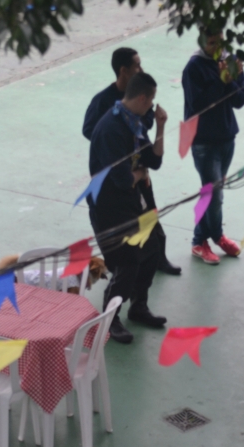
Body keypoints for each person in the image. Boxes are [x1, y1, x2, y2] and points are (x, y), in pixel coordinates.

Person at [82, 47, 181, 276]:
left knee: (150, 217)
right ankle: (124, 271)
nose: (141, 69)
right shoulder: (104, 104)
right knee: (121, 239)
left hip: (137, 164)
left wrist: (154, 131)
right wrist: (116, 149)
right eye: (137, 65)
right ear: (124, 71)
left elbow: (144, 133)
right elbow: (91, 131)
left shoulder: (140, 98)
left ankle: (156, 259)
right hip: (118, 175)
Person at [88, 72, 168, 344]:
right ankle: (110, 319)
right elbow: (121, 179)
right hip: (109, 205)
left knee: (152, 248)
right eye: (152, 102)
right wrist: (140, 174)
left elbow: (153, 162)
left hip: (132, 201)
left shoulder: (134, 123)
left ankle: (138, 305)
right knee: (127, 262)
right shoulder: (111, 128)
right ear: (143, 98)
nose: (152, 107)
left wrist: (160, 127)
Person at [182, 27, 244, 265]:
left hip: (226, 137)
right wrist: (221, 82)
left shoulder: (230, 61)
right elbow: (198, 105)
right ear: (202, 43)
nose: (217, 48)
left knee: (210, 193)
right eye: (212, 43)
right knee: (215, 195)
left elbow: (241, 99)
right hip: (203, 142)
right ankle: (212, 238)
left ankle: (202, 240)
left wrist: (229, 81)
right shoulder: (194, 68)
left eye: (220, 42)